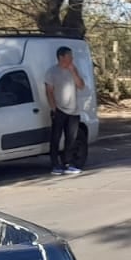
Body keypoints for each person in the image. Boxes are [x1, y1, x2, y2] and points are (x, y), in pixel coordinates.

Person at [43, 45, 88, 177]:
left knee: (71, 138)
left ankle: (68, 163)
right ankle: (55, 164)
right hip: (59, 109)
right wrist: (53, 108)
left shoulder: (73, 70)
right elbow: (49, 91)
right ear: (61, 57)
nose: (72, 58)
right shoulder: (51, 72)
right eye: (69, 56)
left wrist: (73, 72)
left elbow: (81, 86)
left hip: (74, 110)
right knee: (56, 137)